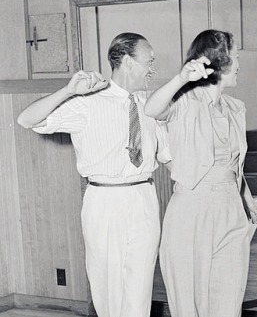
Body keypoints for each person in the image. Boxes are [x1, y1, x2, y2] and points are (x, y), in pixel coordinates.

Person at [17, 33, 170, 317]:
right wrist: (68, 91)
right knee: (109, 288)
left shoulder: (150, 104)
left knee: (140, 287)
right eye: (149, 61)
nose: (153, 69)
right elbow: (27, 120)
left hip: (145, 197)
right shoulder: (88, 103)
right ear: (126, 61)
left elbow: (169, 156)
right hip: (105, 200)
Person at [144, 29, 257, 317]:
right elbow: (151, 109)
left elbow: (233, 165)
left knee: (228, 300)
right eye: (236, 58)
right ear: (220, 63)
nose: (239, 65)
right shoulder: (184, 101)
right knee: (190, 303)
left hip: (230, 210)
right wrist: (181, 78)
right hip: (191, 210)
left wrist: (247, 199)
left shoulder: (236, 108)